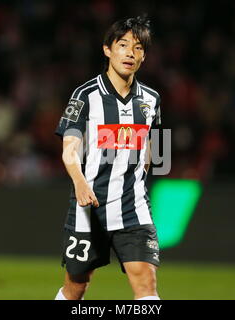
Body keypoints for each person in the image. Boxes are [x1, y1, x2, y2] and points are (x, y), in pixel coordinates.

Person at [54, 15, 162, 300]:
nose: (129, 52)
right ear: (107, 49)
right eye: (123, 44)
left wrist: (137, 181)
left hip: (133, 210)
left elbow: (154, 150)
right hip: (89, 208)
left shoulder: (152, 100)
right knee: (76, 286)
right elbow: (70, 148)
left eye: (138, 48)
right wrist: (79, 180)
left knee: (146, 285)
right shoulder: (85, 95)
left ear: (143, 57)